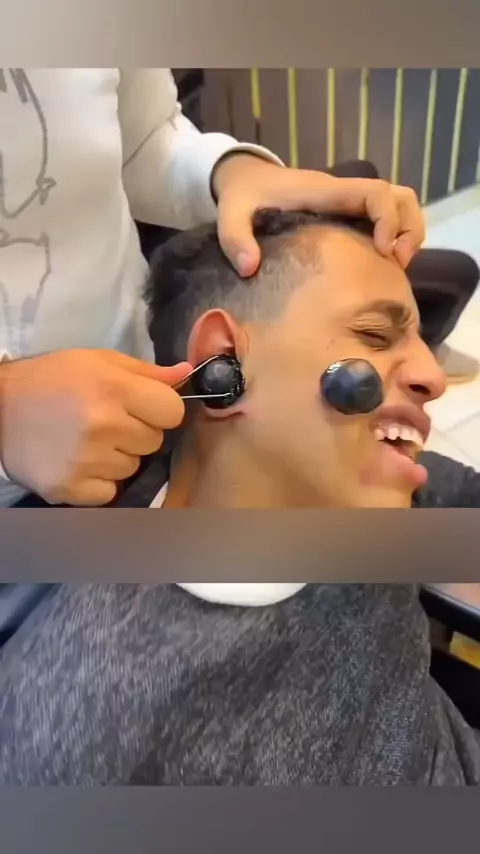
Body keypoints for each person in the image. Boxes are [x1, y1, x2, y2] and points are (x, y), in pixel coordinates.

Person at [1, 211, 479, 786]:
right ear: (226, 363)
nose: (433, 376)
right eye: (376, 335)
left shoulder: (360, 484)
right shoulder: (80, 722)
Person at [0, 68, 424, 509]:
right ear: (225, 354)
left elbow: (145, 138)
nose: (433, 378)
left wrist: (234, 171)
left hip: (132, 422)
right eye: (372, 335)